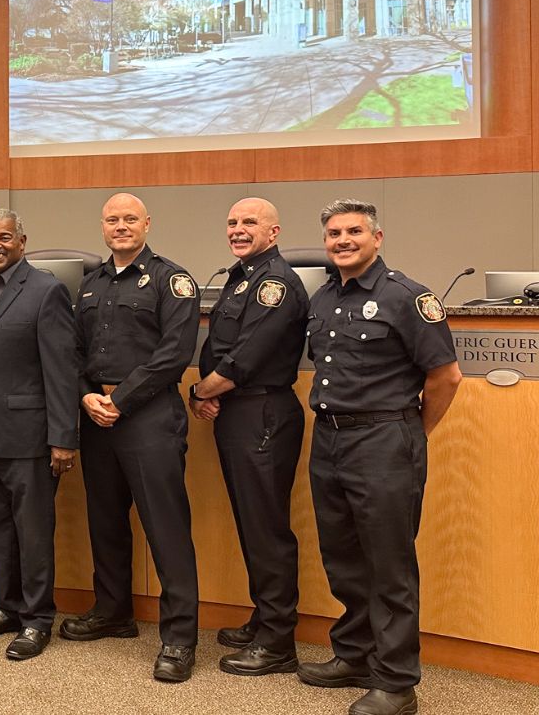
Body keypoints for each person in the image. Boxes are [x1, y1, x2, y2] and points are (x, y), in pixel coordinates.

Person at [298, 199, 461, 715]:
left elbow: (446, 377)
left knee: (389, 565)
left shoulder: (407, 298)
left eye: (353, 232)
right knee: (343, 558)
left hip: (385, 441)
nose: (342, 241)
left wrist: (412, 433)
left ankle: (395, 683)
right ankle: (355, 656)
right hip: (329, 438)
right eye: (333, 234)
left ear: (377, 237)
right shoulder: (323, 298)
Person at [63, 192, 201, 683]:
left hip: (147, 417)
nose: (120, 226)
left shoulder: (172, 279)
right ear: (102, 226)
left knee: (165, 527)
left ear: (147, 223)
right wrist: (85, 397)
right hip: (97, 416)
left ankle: (180, 637)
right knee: (105, 520)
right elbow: (73, 350)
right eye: (112, 219)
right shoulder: (90, 282)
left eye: (129, 219)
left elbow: (174, 353)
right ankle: (113, 611)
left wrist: (119, 399)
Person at [190, 198, 310, 676]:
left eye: (249, 223)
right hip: (239, 410)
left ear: (274, 232)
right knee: (252, 523)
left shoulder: (275, 284)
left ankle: (279, 642)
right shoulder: (242, 277)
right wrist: (209, 391)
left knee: (267, 529)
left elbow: (245, 356)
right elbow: (218, 346)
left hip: (262, 409)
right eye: (232, 223)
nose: (238, 230)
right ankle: (265, 618)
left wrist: (201, 391)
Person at [0, 209, 80, 661]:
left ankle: (37, 619)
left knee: (32, 533)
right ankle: (6, 608)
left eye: (4, 237)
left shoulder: (46, 290)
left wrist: (63, 437)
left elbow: (61, 369)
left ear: (22, 242)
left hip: (30, 435)